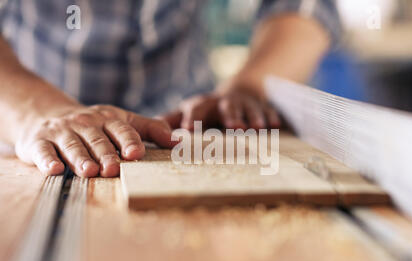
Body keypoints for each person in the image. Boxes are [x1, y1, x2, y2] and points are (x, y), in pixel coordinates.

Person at [0, 0, 340, 177]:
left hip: (187, 129)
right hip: (30, 130)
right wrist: (35, 112)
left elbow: (305, 6)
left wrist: (251, 86)